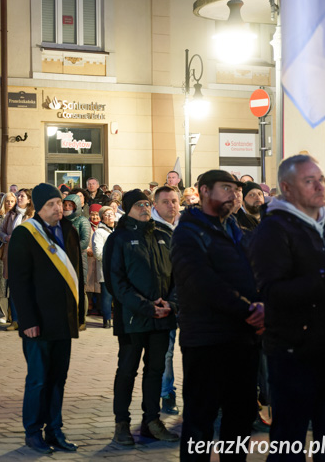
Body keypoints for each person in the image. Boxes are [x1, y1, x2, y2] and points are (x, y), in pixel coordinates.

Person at [171, 170, 262, 461]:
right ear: (204, 191)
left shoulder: (237, 231)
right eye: (226, 188)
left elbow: (256, 275)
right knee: (200, 421)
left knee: (239, 419)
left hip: (242, 339)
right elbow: (202, 282)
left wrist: (262, 306)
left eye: (236, 189)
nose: (234, 194)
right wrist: (249, 309)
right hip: (207, 340)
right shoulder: (189, 231)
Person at [250, 155, 325, 456]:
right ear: (286, 188)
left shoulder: (321, 226)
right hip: (294, 352)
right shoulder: (274, 230)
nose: (319, 187)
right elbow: (273, 293)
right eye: (308, 181)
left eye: (320, 179)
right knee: (290, 441)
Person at [9, 183, 84, 455]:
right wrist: (27, 320)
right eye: (51, 204)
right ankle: (33, 432)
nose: (58, 208)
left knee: (58, 378)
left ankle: (55, 429)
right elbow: (18, 281)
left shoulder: (69, 231)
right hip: (37, 323)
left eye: (59, 203)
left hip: (63, 321)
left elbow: (77, 274)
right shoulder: (25, 234)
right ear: (38, 208)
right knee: (38, 379)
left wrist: (79, 313)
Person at [108, 189, 179, 445]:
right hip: (132, 320)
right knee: (127, 371)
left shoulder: (164, 235)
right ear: (127, 209)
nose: (144, 208)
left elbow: (178, 276)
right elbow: (117, 283)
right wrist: (148, 307)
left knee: (155, 371)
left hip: (163, 318)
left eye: (147, 204)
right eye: (138, 204)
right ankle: (122, 424)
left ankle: (152, 421)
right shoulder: (118, 239)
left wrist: (170, 304)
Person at [150, 186, 181, 417]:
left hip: (189, 298)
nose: (172, 205)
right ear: (155, 205)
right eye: (166, 202)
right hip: (164, 300)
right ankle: (166, 394)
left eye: (174, 201)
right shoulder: (150, 229)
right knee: (167, 352)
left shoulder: (186, 226)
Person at [0, 189, 34, 331]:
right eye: (18, 195)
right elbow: (0, 231)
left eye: (22, 196)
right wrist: (5, 237)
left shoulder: (33, 215)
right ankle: (15, 320)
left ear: (29, 200)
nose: (19, 198)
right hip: (11, 254)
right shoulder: (11, 214)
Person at [62, 193, 91, 327]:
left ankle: (81, 320)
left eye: (70, 205)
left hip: (78, 260)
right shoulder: (60, 221)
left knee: (79, 289)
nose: (67, 207)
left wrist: (69, 248)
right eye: (65, 204)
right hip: (63, 260)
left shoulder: (82, 221)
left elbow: (84, 242)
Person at [0, 192, 17, 324]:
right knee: (1, 284)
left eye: (12, 201)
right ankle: (2, 313)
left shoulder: (18, 216)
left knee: (13, 284)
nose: (9, 203)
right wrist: (3, 235)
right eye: (7, 201)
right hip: (1, 252)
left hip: (15, 252)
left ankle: (13, 315)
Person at [91, 207, 115, 328]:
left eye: (111, 214)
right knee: (107, 296)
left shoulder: (117, 231)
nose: (110, 216)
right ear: (102, 218)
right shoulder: (99, 232)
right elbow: (97, 253)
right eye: (107, 214)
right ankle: (107, 320)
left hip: (119, 270)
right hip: (107, 269)